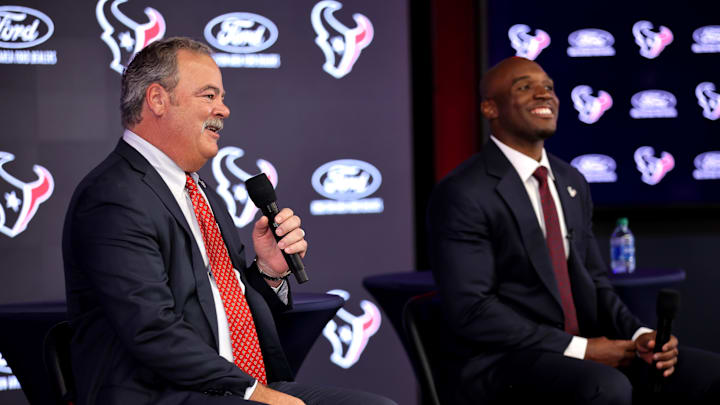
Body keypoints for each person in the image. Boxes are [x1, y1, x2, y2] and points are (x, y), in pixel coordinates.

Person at [63, 37, 395, 405]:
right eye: (208, 96)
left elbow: (221, 307)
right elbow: (151, 329)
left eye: (221, 97)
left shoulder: (198, 189)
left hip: (226, 387)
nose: (224, 110)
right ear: (157, 99)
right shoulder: (114, 196)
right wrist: (254, 392)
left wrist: (269, 271)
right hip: (162, 395)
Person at [427, 56, 720, 404]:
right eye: (524, 87)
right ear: (491, 108)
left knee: (708, 374)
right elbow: (473, 310)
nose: (543, 95)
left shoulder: (570, 180)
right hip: (502, 361)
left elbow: (595, 282)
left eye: (549, 87)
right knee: (605, 386)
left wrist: (641, 334)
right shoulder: (463, 192)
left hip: (581, 352)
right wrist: (579, 349)